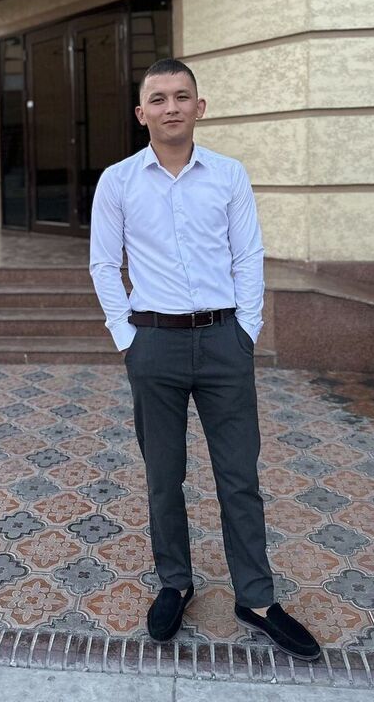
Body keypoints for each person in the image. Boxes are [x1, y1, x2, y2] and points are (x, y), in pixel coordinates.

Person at [89, 58, 320, 660]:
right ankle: (176, 583)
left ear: (200, 107)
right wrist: (127, 337)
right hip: (154, 344)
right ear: (141, 113)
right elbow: (103, 264)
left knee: (240, 477)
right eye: (158, 98)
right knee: (164, 478)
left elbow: (249, 256)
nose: (171, 107)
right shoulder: (117, 181)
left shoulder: (228, 174)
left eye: (181, 96)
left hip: (223, 343)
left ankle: (257, 599)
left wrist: (247, 331)